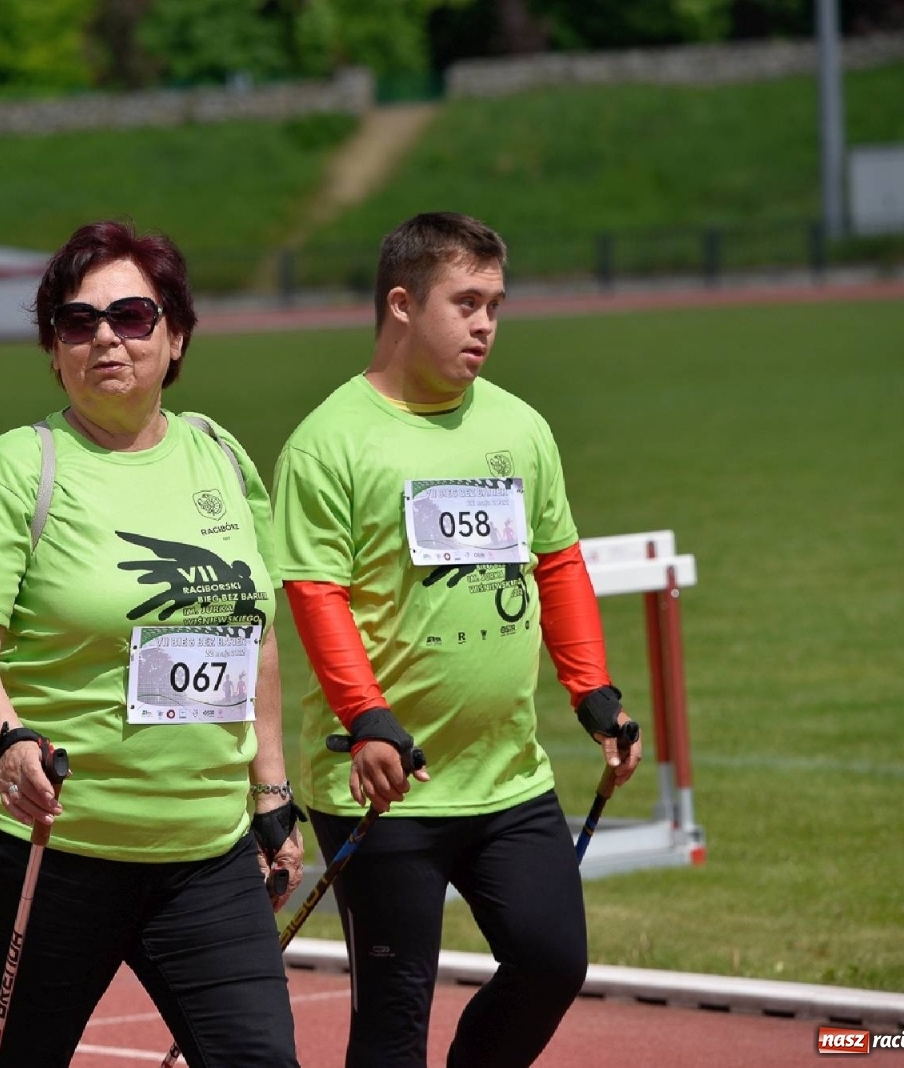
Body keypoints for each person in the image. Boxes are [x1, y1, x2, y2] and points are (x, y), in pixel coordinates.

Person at [270, 212, 643, 1068]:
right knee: (395, 1021)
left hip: (508, 775)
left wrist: (594, 693)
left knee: (553, 962)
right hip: (386, 785)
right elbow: (316, 597)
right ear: (401, 305)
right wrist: (366, 716)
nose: (485, 324)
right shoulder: (331, 442)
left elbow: (557, 563)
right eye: (465, 302)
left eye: (495, 305)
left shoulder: (519, 427)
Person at [0, 219, 305, 1068]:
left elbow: (256, 635)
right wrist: (7, 743)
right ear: (55, 349)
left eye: (133, 316)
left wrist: (271, 791)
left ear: (174, 335)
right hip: (53, 852)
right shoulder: (23, 466)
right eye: (77, 321)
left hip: (204, 855)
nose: (106, 335)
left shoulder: (219, 454)